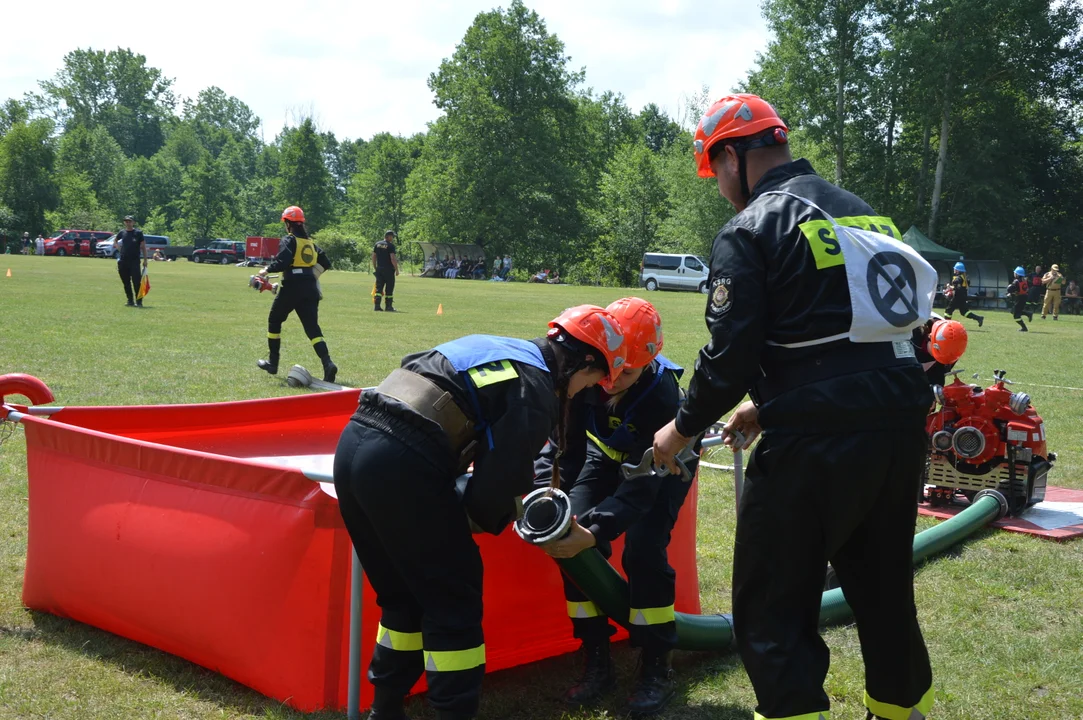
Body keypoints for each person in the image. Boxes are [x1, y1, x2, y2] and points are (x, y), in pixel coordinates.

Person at [651, 93, 936, 720]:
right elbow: (866, 333)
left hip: (816, 446)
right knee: (885, 590)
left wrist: (680, 427)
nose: (721, 189)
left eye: (715, 172)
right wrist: (773, 404)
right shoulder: (865, 215)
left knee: (773, 604)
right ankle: (899, 711)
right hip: (897, 430)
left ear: (730, 157)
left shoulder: (752, 226)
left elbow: (728, 358)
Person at [333, 305, 626, 720]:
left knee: (402, 599)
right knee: (455, 604)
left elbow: (414, 368)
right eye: (593, 381)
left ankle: (385, 711)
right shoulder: (538, 387)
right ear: (585, 361)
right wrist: (469, 519)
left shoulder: (499, 347)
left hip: (353, 445)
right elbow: (498, 486)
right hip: (403, 465)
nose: (584, 392)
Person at [540, 298, 691, 716]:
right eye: (612, 365)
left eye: (627, 371)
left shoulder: (662, 396)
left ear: (649, 362)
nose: (612, 379)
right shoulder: (586, 369)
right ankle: (596, 657)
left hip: (662, 470)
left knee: (643, 552)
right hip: (604, 457)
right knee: (569, 540)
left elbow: (643, 488)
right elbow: (565, 449)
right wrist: (552, 501)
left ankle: (656, 665)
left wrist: (596, 530)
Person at [256, 205, 337, 382]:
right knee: (312, 328)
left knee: (274, 320)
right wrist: (311, 275)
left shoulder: (290, 239)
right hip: (310, 288)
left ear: (287, 223)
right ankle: (328, 363)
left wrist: (266, 270)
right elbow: (326, 262)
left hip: (292, 286)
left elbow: (283, 260)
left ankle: (273, 363)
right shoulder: (310, 243)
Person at [912, 316, 968, 386]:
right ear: (930, 337)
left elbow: (939, 377)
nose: (944, 357)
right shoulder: (911, 335)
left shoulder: (954, 349)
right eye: (941, 353)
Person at [114, 216, 147, 307]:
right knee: (126, 282)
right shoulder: (122, 232)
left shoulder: (138, 233)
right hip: (123, 260)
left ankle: (139, 301)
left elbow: (143, 246)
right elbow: (115, 241)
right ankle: (130, 300)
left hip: (134, 261)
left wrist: (145, 260)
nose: (128, 223)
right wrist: (118, 248)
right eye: (126, 221)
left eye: (130, 221)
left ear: (133, 222)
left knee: (137, 281)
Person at [944, 262, 984, 327]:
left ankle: (946, 325)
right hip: (962, 296)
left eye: (955, 269)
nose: (954, 270)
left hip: (958, 297)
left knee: (948, 310)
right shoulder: (964, 277)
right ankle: (979, 318)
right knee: (964, 312)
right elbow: (958, 287)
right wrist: (951, 287)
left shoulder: (959, 277)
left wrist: (951, 284)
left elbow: (956, 282)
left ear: (958, 270)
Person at [372, 230, 399, 311]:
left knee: (378, 288)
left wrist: (375, 267)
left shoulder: (377, 244)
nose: (393, 238)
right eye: (392, 236)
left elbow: (373, 256)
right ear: (389, 236)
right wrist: (396, 269)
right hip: (388, 270)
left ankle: (377, 306)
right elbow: (392, 258)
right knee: (389, 288)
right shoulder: (390, 246)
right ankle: (388, 306)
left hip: (379, 269)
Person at [1007, 266, 1034, 332]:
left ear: (1017, 274)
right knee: (1013, 311)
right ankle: (1028, 314)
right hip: (1024, 297)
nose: (1014, 274)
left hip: (1019, 298)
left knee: (1016, 316)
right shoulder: (1025, 280)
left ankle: (1024, 328)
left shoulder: (1016, 281)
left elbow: (1010, 289)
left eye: (1015, 273)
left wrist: (1009, 291)